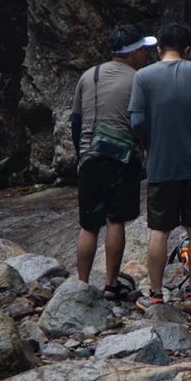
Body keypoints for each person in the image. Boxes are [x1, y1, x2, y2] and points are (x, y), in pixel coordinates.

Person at [128, 22, 191, 313]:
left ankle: (156, 295)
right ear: (187, 50)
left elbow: (136, 122)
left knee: (159, 230)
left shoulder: (143, 76)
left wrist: (150, 140)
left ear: (158, 50)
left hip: (161, 165)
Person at [69, 23, 157, 298]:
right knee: (115, 221)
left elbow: (76, 120)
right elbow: (141, 122)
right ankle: (110, 285)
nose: (146, 54)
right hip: (122, 157)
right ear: (133, 53)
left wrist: (81, 154)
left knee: (88, 225)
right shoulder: (139, 80)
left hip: (89, 156)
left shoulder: (89, 75)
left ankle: (82, 286)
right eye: (143, 49)